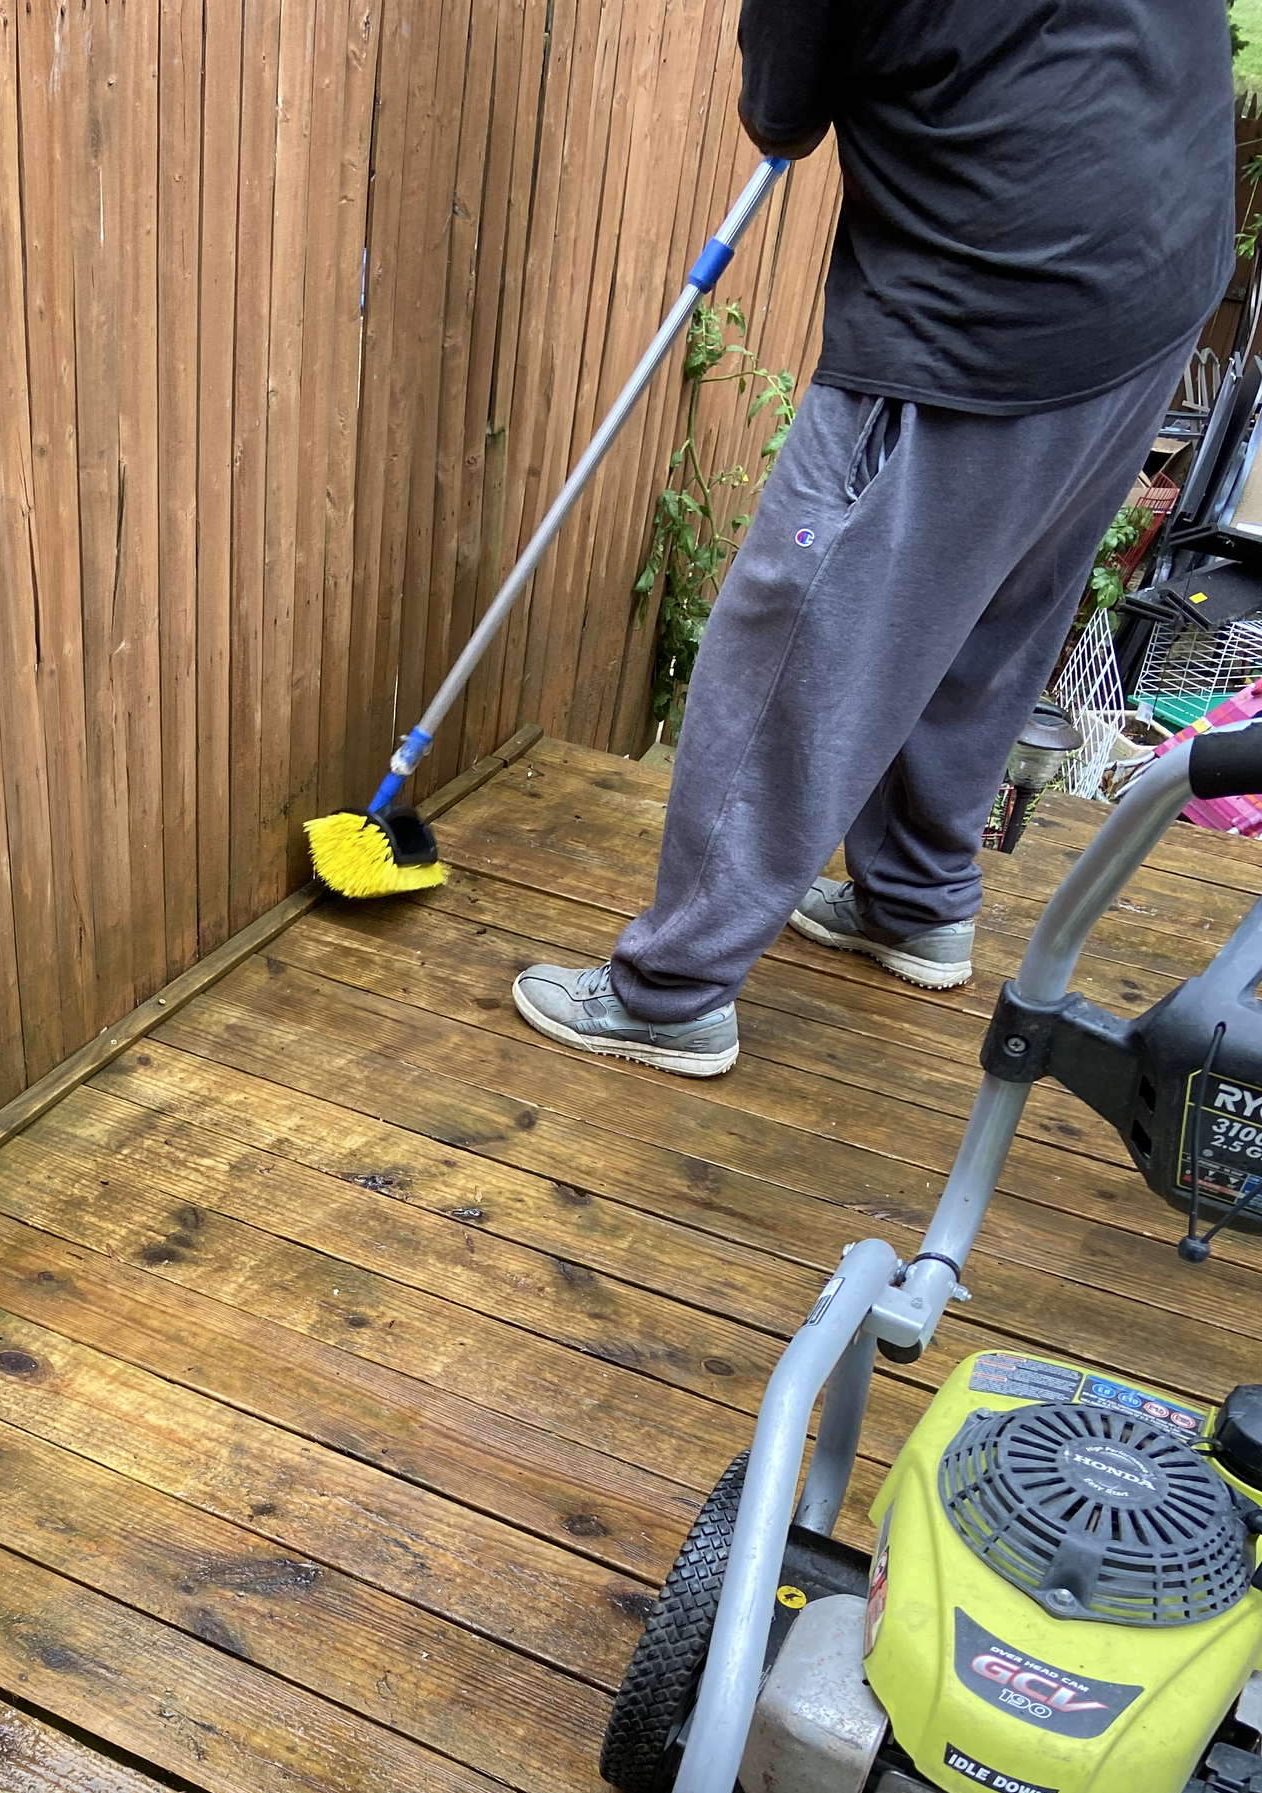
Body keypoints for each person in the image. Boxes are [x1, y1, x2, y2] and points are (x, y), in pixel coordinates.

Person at [513, 0, 1236, 1077]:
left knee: (799, 632)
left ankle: (672, 992)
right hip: (1161, 261)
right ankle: (916, 898)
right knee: (994, 601)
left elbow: (782, 107)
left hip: (994, 289)